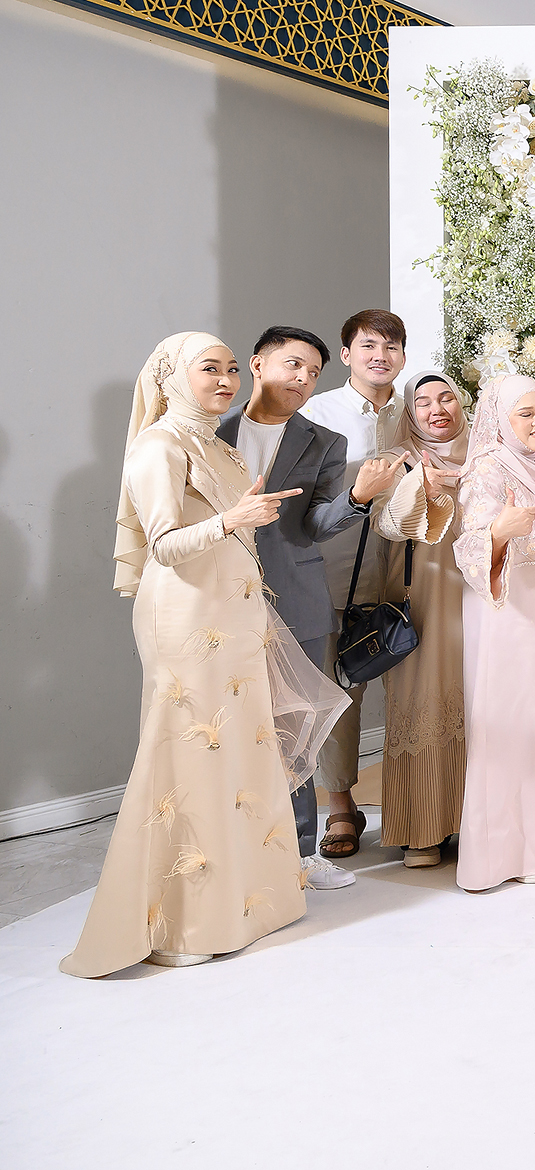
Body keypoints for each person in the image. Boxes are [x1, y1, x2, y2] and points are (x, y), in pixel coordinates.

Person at [64, 333, 345, 976]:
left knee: (241, 750)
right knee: (193, 751)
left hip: (235, 617)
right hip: (187, 618)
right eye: (208, 369)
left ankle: (249, 905)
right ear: (170, 377)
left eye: (229, 369)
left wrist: (242, 520)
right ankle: (186, 920)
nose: (225, 380)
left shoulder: (217, 446)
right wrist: (232, 520)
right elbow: (163, 544)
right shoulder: (158, 445)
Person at [217, 326, 408, 891]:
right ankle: (230, 849)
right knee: (224, 723)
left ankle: (300, 853)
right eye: (292, 364)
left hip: (297, 597)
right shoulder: (210, 432)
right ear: (257, 364)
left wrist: (357, 497)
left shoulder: (324, 442)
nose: (302, 378)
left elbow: (318, 526)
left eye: (312, 372)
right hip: (219, 596)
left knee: (294, 725)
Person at [451, 374, 535, 890]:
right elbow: (470, 544)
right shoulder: (487, 467)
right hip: (508, 603)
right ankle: (499, 855)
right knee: (509, 718)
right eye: (525, 414)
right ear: (501, 420)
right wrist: (499, 532)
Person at [301, 308, 409, 858]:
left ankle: (416, 806)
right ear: (346, 355)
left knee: (414, 690)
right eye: (368, 346)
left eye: (391, 347)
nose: (380, 356)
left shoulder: (416, 412)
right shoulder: (317, 415)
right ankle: (341, 807)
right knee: (339, 692)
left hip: (409, 572)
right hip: (339, 573)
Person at [372, 372, 469, 868]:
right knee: (424, 694)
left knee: (477, 696)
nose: (437, 409)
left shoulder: (487, 457)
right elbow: (386, 524)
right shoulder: (398, 460)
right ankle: (423, 828)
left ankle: (476, 823)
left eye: (447, 397)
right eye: (424, 402)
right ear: (410, 413)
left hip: (478, 594)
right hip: (423, 593)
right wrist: (418, 485)